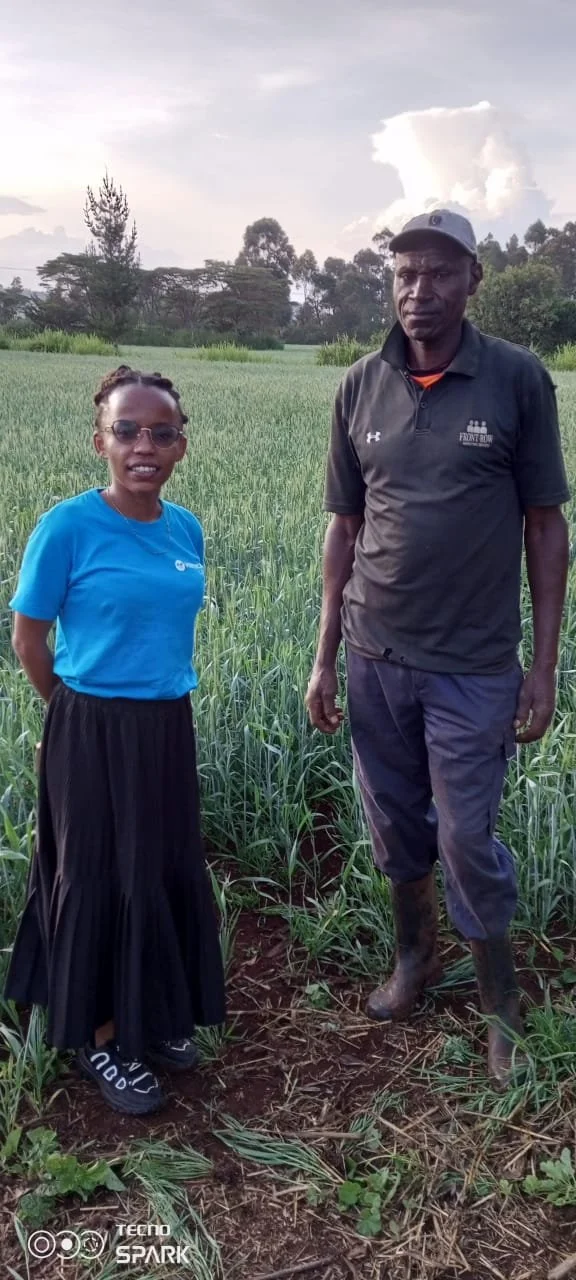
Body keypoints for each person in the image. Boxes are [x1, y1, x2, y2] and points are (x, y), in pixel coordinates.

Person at [306, 210, 570, 1086]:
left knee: (466, 834)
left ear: (472, 281)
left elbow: (544, 524)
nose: (419, 291)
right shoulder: (359, 386)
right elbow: (345, 529)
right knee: (395, 825)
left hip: (474, 666)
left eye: (438, 275)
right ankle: (416, 959)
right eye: (404, 276)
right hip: (375, 657)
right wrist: (324, 654)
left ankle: (502, 1005)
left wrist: (542, 664)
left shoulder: (518, 380)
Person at [6, 365, 226, 1115]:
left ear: (181, 446)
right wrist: (71, 716)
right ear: (100, 439)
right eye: (127, 430)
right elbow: (29, 639)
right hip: (91, 728)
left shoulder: (187, 526)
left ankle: (153, 1016)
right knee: (99, 876)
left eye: (161, 432)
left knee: (160, 869)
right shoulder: (67, 526)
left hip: (167, 726)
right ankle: (101, 1038)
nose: (144, 445)